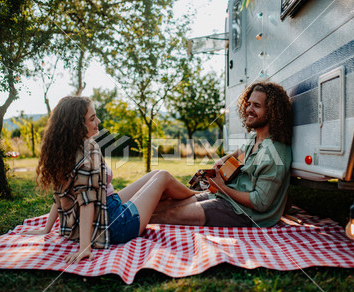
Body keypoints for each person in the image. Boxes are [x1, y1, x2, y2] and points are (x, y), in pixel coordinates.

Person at [23, 96, 197, 264]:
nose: (98, 121)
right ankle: (198, 194)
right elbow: (86, 202)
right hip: (117, 226)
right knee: (163, 176)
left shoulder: (67, 151)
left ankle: (196, 194)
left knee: (156, 174)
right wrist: (85, 247)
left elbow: (61, 194)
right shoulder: (88, 154)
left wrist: (46, 229)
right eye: (92, 119)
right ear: (77, 125)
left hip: (107, 207)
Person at [150, 81, 293, 228]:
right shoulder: (255, 138)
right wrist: (223, 160)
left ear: (272, 112)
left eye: (256, 105)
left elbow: (260, 203)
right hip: (226, 197)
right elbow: (240, 152)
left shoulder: (276, 152)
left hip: (244, 213)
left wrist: (221, 187)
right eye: (249, 104)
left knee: (171, 215)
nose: (249, 109)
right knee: (169, 204)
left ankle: (128, 224)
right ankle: (128, 213)